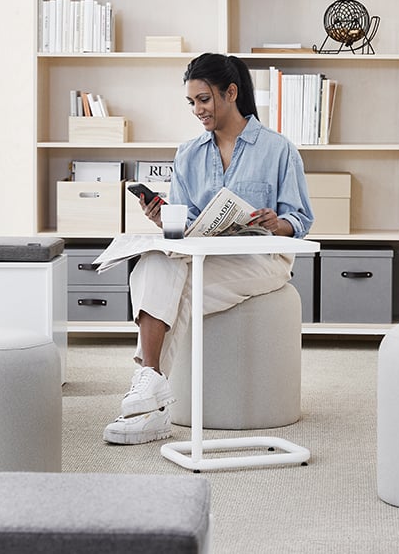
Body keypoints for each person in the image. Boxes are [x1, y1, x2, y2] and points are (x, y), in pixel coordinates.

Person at [103, 52, 314, 445]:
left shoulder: (278, 149)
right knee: (154, 261)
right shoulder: (189, 153)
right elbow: (187, 226)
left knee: (175, 289)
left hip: (263, 258)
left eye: (204, 99)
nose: (197, 110)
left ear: (230, 93)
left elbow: (299, 220)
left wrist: (276, 223)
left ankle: (152, 407)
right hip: (202, 254)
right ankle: (151, 388)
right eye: (192, 102)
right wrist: (162, 217)